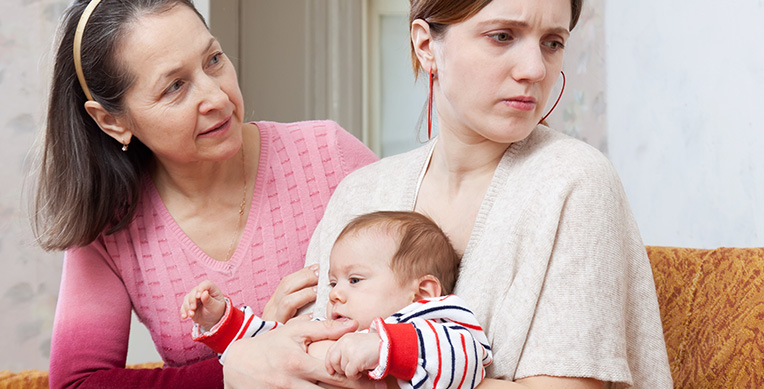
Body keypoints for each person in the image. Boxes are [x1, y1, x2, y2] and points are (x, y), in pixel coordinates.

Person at [221, 0, 674, 388]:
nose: (535, 69)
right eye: (502, 36)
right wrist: (243, 357)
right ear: (425, 45)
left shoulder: (574, 182)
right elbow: (304, 359)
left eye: (552, 42)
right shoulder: (361, 194)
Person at [32, 0, 378, 388]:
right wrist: (244, 361)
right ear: (112, 121)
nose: (217, 98)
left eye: (213, 59)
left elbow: (434, 295)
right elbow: (77, 383)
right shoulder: (109, 226)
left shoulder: (328, 155)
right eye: (175, 86)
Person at [181, 211, 492, 389]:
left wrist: (384, 347)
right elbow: (268, 347)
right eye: (333, 282)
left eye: (355, 280)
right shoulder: (330, 327)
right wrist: (222, 321)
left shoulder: (429, 326)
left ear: (423, 292)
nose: (333, 294)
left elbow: (468, 360)